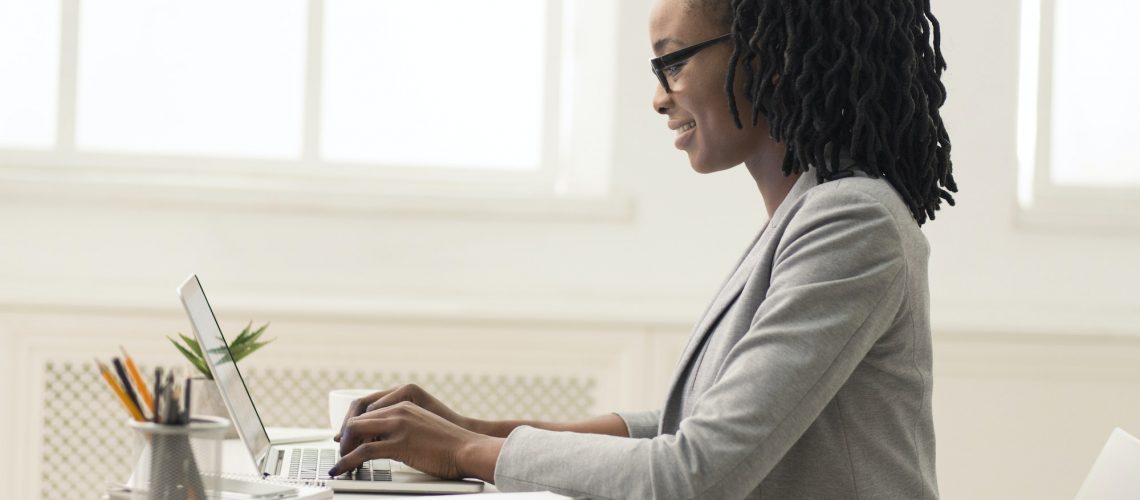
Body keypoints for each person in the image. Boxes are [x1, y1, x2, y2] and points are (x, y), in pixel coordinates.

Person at [330, 0, 957, 497]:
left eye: (673, 62)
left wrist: (464, 453)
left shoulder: (853, 223)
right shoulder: (803, 217)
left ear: (769, 54)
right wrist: (475, 430)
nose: (660, 97)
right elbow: (690, 430)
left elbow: (692, 474)